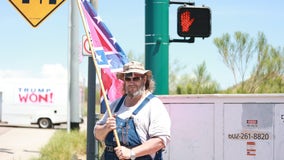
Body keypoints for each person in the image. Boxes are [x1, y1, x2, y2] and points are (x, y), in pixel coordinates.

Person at [94, 61, 171, 160]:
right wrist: (106, 128)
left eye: (136, 78)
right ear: (124, 81)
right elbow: (97, 134)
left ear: (144, 79)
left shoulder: (154, 105)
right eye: (128, 78)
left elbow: (160, 141)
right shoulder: (115, 105)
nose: (131, 82)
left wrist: (131, 153)